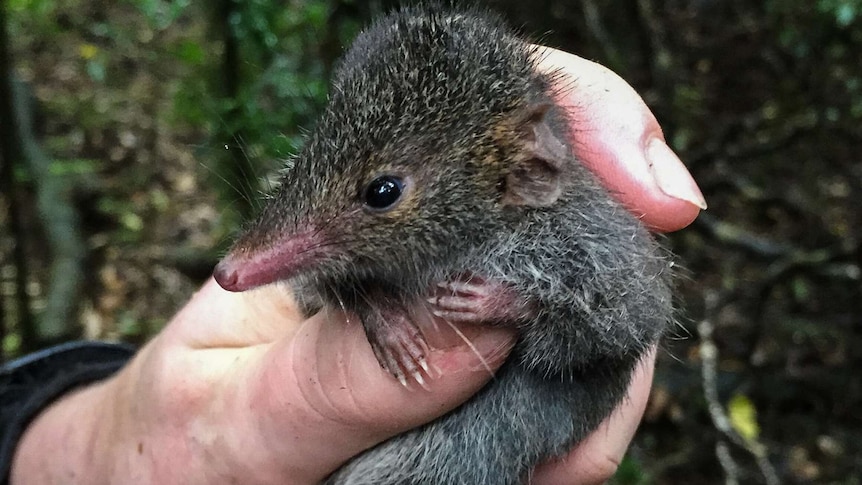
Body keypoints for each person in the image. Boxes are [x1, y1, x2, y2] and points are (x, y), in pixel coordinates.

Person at [2, 48, 705, 485]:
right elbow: (307, 282)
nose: (244, 270)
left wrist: (519, 305)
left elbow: (627, 318)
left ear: (526, 168)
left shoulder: (566, 226)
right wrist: (365, 297)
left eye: (383, 195)